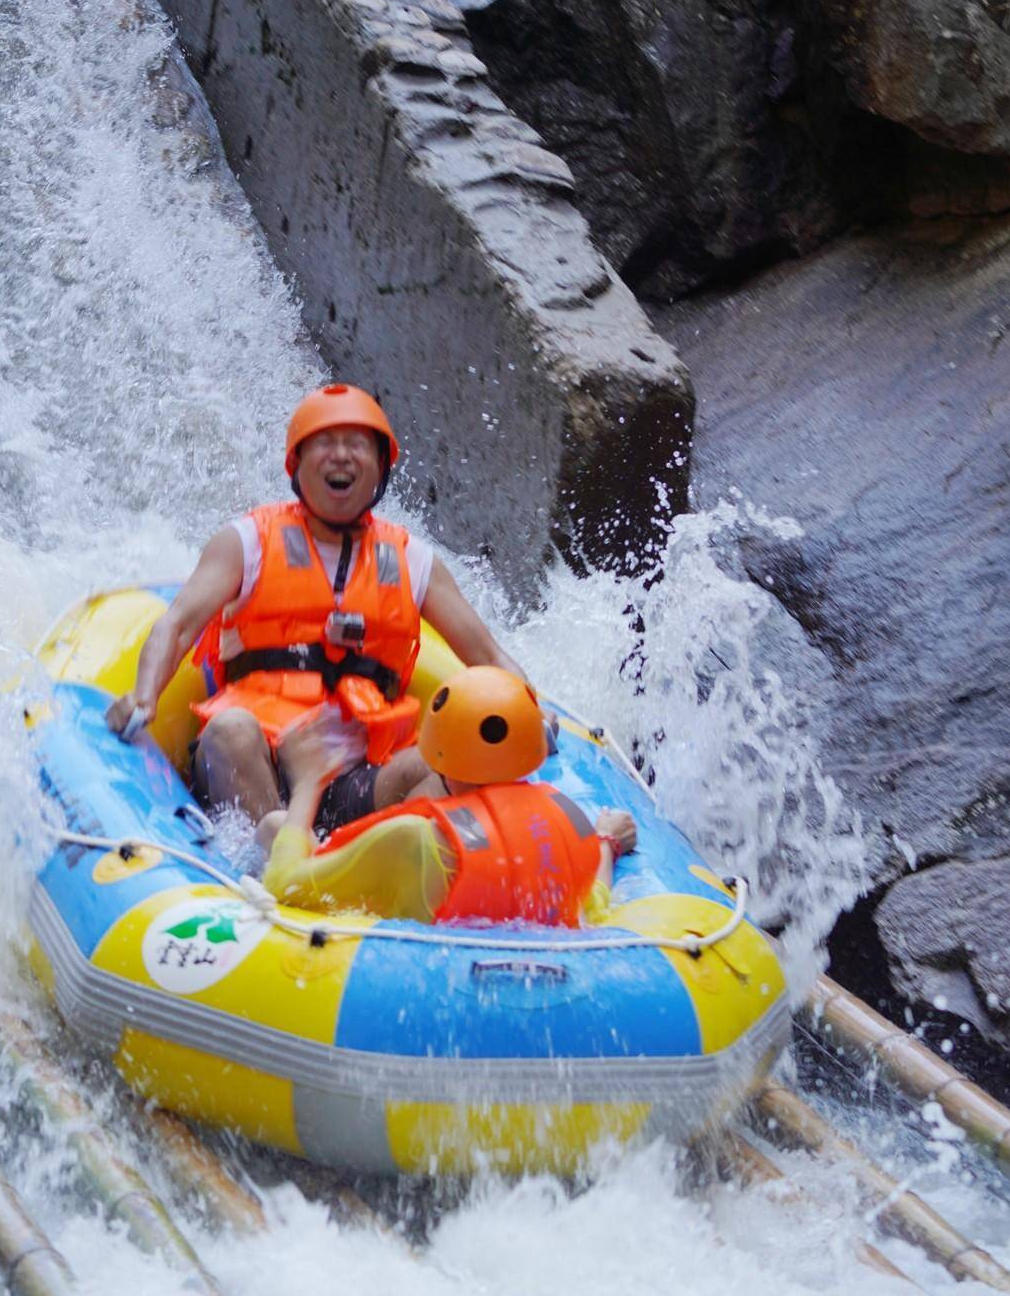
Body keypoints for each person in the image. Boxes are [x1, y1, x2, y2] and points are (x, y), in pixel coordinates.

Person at [105, 383, 534, 833]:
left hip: (360, 773)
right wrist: (145, 694)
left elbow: (487, 656)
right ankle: (277, 859)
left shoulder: (412, 561)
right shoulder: (247, 541)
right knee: (231, 729)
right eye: (326, 443)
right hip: (259, 759)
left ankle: (405, 873)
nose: (342, 457)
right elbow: (177, 624)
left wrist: (530, 716)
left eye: (356, 445)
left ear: (381, 467)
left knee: (439, 762)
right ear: (297, 465)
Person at [259, 667, 638, 926]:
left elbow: (285, 885)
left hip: (405, 969)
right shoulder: (567, 819)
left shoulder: (413, 839)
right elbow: (594, 904)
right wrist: (606, 842)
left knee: (277, 827)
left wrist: (309, 784)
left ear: (439, 761)